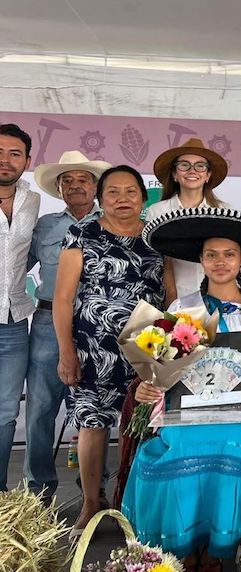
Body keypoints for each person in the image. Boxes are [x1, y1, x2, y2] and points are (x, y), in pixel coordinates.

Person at [122, 208, 241, 572]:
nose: (220, 262)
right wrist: (148, 388)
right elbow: (158, 373)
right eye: (212, 254)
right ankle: (184, 550)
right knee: (181, 447)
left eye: (229, 254)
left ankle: (216, 554)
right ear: (200, 260)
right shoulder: (182, 309)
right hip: (187, 415)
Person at [53, 165, 163, 537]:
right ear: (101, 198)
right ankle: (90, 503)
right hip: (91, 350)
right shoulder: (81, 233)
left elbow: (173, 295)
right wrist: (66, 351)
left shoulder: (157, 236)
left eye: (130, 191)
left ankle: (132, 501)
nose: (122, 199)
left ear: (143, 196)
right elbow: (64, 298)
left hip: (147, 350)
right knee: (92, 425)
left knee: (144, 426)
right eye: (112, 192)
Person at [26, 151, 110, 502]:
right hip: (47, 323)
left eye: (83, 180)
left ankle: (96, 488)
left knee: (96, 410)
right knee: (41, 408)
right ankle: (38, 490)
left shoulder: (112, 224)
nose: (76, 186)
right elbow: (14, 266)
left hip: (96, 327)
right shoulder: (44, 226)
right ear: (58, 188)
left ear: (95, 187)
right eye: (68, 181)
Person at [0, 123, 40, 492]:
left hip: (13, 322)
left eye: (14, 153)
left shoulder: (32, 199)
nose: (5, 160)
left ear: (27, 161)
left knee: (5, 414)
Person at [149, 138, 231, 303]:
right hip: (176, 300)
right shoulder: (158, 212)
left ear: (208, 175)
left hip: (217, 300)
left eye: (200, 166)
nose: (192, 171)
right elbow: (157, 262)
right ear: (174, 174)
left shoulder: (224, 211)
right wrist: (170, 302)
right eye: (184, 165)